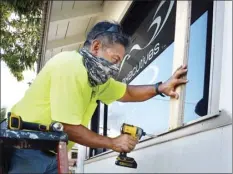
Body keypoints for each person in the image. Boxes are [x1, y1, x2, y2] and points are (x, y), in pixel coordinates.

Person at [7, 21, 188, 173]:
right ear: (96, 47)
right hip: (25, 147)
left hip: (52, 151)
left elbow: (127, 92)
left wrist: (160, 88)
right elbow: (68, 127)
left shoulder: (96, 80)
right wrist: (113, 142)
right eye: (115, 59)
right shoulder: (71, 66)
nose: (116, 68)